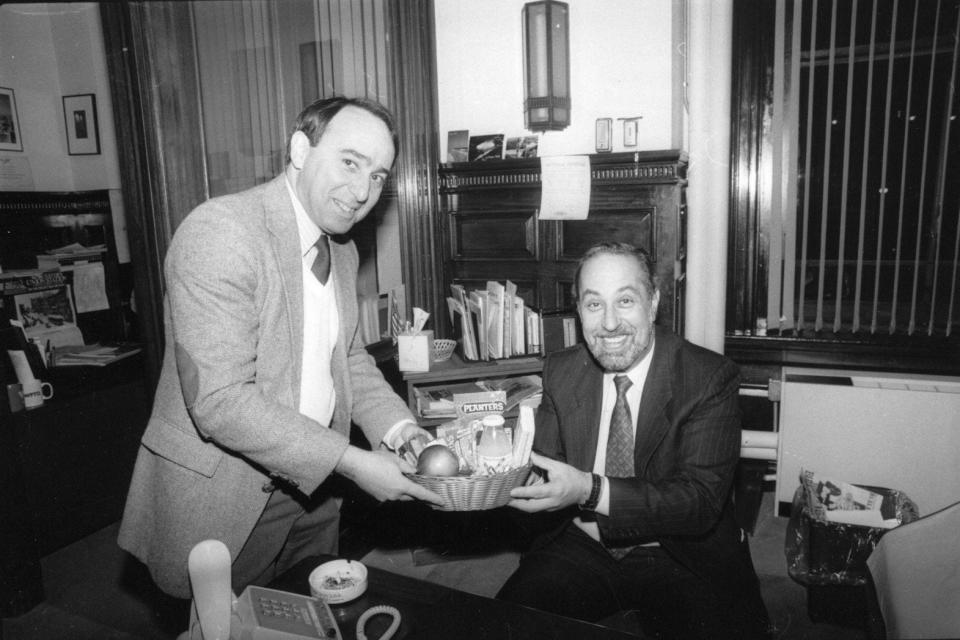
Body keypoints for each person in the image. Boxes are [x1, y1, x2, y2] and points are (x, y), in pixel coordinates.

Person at [118, 96, 441, 599]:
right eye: (350, 161)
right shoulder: (221, 232)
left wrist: (401, 432)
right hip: (227, 497)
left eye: (378, 176)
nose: (361, 191)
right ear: (299, 149)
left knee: (310, 621)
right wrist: (352, 462)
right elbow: (219, 402)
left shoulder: (343, 248)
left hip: (314, 495)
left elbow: (348, 358)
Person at [498, 242, 770, 639]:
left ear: (653, 303)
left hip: (678, 553)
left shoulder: (709, 377)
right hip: (582, 543)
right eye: (593, 305)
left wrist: (588, 490)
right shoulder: (561, 370)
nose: (609, 323)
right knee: (496, 626)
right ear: (578, 310)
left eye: (625, 301)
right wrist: (509, 473)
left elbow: (698, 502)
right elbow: (545, 462)